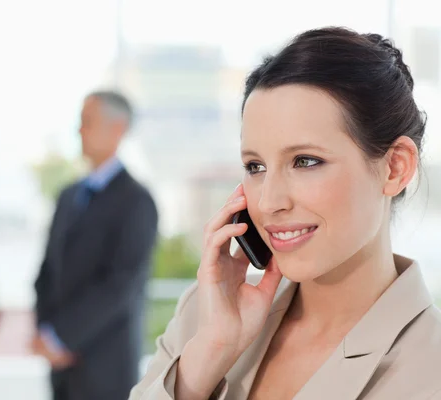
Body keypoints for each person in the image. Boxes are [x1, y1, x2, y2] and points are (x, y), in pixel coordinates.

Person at [131, 27, 441, 400]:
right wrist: (209, 354)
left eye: (305, 161)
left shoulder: (428, 367)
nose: (268, 202)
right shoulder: (208, 313)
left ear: (395, 168)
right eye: (255, 167)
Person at [33, 90, 159, 400]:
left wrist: (63, 337)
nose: (79, 131)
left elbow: (120, 284)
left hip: (106, 366)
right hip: (60, 368)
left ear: (117, 129)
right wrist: (46, 334)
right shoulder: (67, 195)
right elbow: (47, 270)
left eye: (87, 122)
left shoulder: (137, 201)